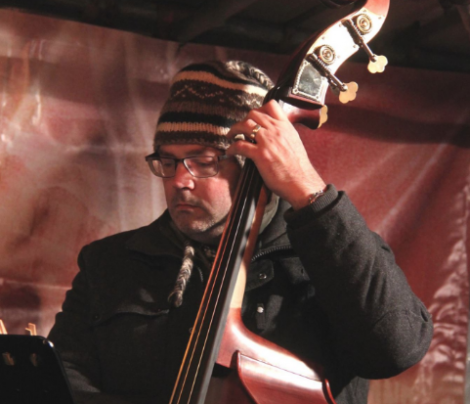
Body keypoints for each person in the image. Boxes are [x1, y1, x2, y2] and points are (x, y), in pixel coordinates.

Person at [48, 60, 433, 404]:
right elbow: (63, 382)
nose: (181, 180)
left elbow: (396, 349)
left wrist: (307, 189)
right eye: (169, 160)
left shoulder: (329, 254)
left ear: (255, 164)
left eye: (204, 161)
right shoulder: (109, 263)